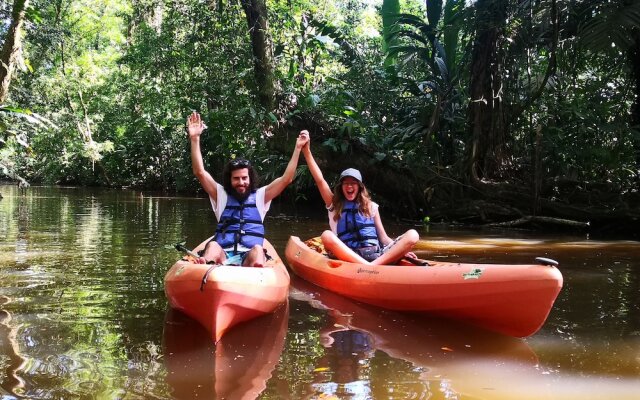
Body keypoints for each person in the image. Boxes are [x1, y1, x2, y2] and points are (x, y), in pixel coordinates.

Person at [187, 111, 309, 267]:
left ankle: (255, 275)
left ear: (250, 179)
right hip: (223, 252)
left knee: (258, 249)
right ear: (229, 180)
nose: (241, 182)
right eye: (236, 179)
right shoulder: (221, 195)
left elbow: (287, 179)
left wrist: (298, 148)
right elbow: (200, 172)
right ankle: (207, 264)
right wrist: (195, 138)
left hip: (249, 254)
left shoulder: (261, 196)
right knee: (212, 246)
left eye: (244, 178)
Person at [301, 137, 419, 265]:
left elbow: (383, 238)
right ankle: (368, 266)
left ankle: (373, 265)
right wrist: (307, 151)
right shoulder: (334, 205)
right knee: (326, 235)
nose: (349, 186)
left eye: (353, 183)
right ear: (341, 187)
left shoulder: (371, 206)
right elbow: (320, 180)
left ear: (359, 187)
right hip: (349, 255)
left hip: (376, 254)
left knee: (413, 235)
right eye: (345, 183)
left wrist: (400, 249)